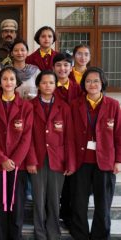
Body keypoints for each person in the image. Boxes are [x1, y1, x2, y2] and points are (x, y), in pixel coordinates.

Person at [70, 67, 121, 239]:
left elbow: (119, 135)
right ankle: (80, 235)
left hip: (105, 161)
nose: (92, 84)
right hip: (80, 161)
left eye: (96, 81)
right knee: (78, 203)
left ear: (102, 83)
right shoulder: (75, 105)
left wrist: (118, 160)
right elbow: (69, 136)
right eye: (88, 81)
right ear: (84, 84)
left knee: (103, 205)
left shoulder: (113, 105)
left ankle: (100, 236)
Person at [26, 70, 76, 240]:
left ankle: (53, 232)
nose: (48, 86)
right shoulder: (29, 106)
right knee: (38, 199)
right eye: (44, 82)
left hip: (58, 159)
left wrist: (70, 162)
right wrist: (30, 160)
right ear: (38, 85)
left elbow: (69, 137)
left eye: (51, 82)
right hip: (37, 159)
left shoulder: (64, 107)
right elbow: (28, 137)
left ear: (56, 85)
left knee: (54, 198)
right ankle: (39, 233)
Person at [0, 66, 33, 240]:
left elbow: (26, 137)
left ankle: (15, 236)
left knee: (17, 204)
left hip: (17, 165)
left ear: (17, 82)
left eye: (12, 79)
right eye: (4, 79)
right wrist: (2, 159)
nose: (8, 82)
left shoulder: (26, 107)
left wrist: (14, 161)